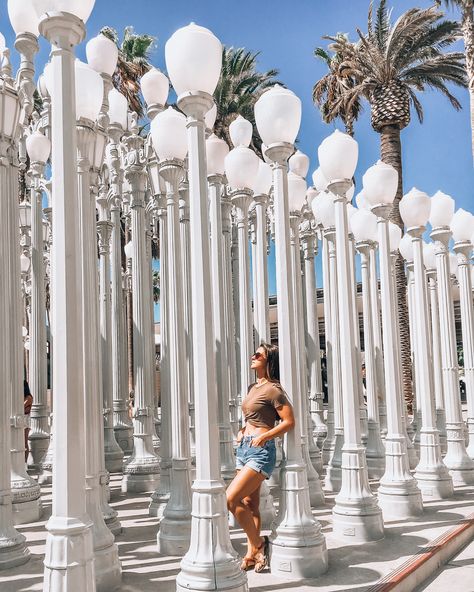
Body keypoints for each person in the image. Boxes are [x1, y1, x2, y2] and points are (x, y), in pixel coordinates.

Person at [226, 343, 295, 573]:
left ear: (268, 361)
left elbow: (288, 422)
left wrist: (265, 435)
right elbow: (251, 417)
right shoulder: (252, 387)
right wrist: (241, 429)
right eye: (253, 353)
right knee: (249, 503)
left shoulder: (274, 390)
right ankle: (252, 554)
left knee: (230, 499)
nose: (253, 356)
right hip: (244, 448)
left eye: (258, 354)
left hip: (261, 452)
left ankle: (258, 544)